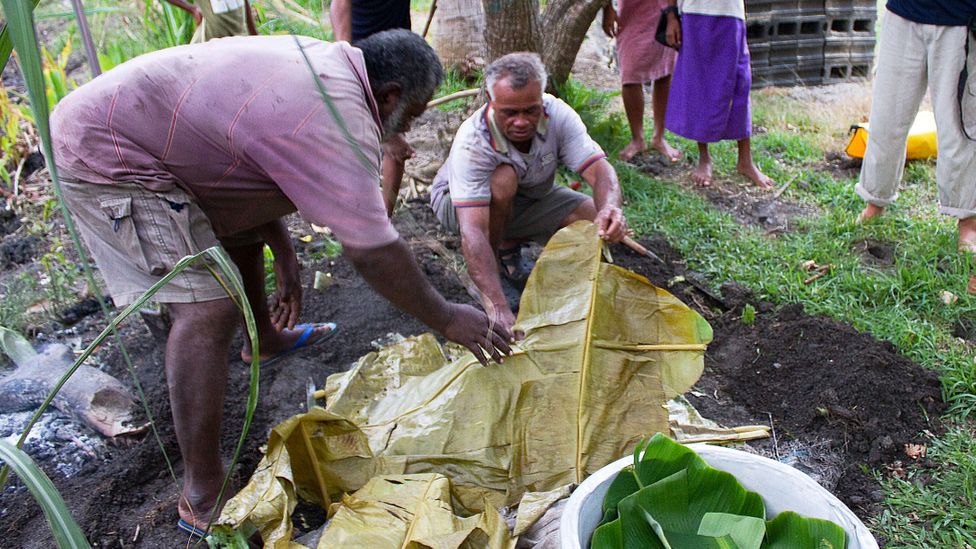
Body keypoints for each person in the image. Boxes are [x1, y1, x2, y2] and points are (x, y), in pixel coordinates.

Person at [49, 30, 511, 537]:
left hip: (156, 137)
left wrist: (284, 249)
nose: (409, 129)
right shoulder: (335, 116)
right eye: (416, 114)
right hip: (112, 154)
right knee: (207, 309)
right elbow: (372, 249)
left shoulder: (328, 68)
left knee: (234, 250)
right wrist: (445, 316)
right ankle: (202, 492)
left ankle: (264, 341)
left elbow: (241, 158)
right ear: (391, 96)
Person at [428, 52, 629, 336]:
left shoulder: (557, 114)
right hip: (457, 204)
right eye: (510, 113)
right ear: (490, 99)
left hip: (526, 196)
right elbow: (472, 230)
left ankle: (548, 278)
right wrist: (498, 308)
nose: (521, 122)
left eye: (530, 111)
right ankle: (492, 271)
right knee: (504, 180)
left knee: (591, 215)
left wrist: (610, 208)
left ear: (542, 99)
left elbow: (600, 170)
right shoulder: (472, 141)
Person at [855, 0, 976, 252]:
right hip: (904, 13)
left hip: (960, 19)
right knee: (886, 120)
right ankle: (875, 203)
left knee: (959, 128)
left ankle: (968, 221)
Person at [663, 0, 773, 188]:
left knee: (740, 82)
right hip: (696, 12)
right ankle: (704, 158)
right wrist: (671, 16)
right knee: (701, 84)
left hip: (732, 12)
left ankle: (745, 160)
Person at [330, 0, 414, 217]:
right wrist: (345, 53)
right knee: (359, 136)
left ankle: (384, 218)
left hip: (398, 52)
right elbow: (340, 4)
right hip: (363, 53)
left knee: (395, 139)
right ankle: (353, 214)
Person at [602, 0, 681, 162]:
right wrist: (607, 7)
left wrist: (672, 15)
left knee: (665, 69)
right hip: (630, 13)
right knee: (630, 73)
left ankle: (659, 137)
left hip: (663, 8)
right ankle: (637, 138)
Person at [162, 0, 258, 42]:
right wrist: (192, 9)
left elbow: (245, 5)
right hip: (214, 46)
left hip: (242, 39)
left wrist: (255, 35)